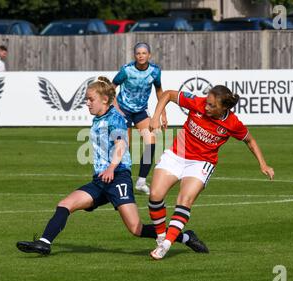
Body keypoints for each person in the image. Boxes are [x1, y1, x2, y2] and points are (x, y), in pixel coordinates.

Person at [16, 77, 207, 256]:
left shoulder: (115, 118)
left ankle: (185, 236)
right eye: (87, 99)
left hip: (117, 177)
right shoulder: (100, 117)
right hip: (100, 180)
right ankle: (44, 243)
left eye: (91, 99)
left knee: (136, 229)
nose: (87, 103)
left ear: (104, 99)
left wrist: (111, 168)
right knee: (65, 204)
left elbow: (121, 145)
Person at [147, 85, 275, 260]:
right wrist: (156, 117)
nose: (206, 107)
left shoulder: (232, 123)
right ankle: (162, 237)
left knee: (184, 200)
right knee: (155, 194)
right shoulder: (197, 102)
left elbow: (250, 140)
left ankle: (165, 245)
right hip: (178, 153)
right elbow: (168, 94)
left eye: (212, 106)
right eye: (206, 103)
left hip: (201, 163)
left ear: (224, 108)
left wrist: (263, 164)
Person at [112, 42, 167, 195]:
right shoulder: (127, 70)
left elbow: (159, 90)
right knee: (124, 146)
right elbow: (112, 86)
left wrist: (163, 113)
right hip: (123, 110)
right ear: (134, 55)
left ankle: (141, 181)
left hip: (140, 111)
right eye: (138, 53)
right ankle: (122, 181)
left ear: (149, 55)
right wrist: (117, 109)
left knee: (151, 142)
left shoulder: (155, 71)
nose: (141, 56)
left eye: (144, 53)